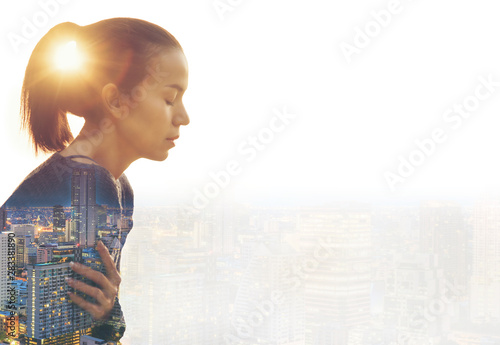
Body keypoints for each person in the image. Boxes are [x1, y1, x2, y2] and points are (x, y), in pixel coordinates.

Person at [1, 17, 189, 342]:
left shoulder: (119, 189)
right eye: (170, 99)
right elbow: (14, 328)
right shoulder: (84, 187)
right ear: (116, 100)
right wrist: (106, 320)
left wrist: (106, 311)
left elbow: (86, 318)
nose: (183, 117)